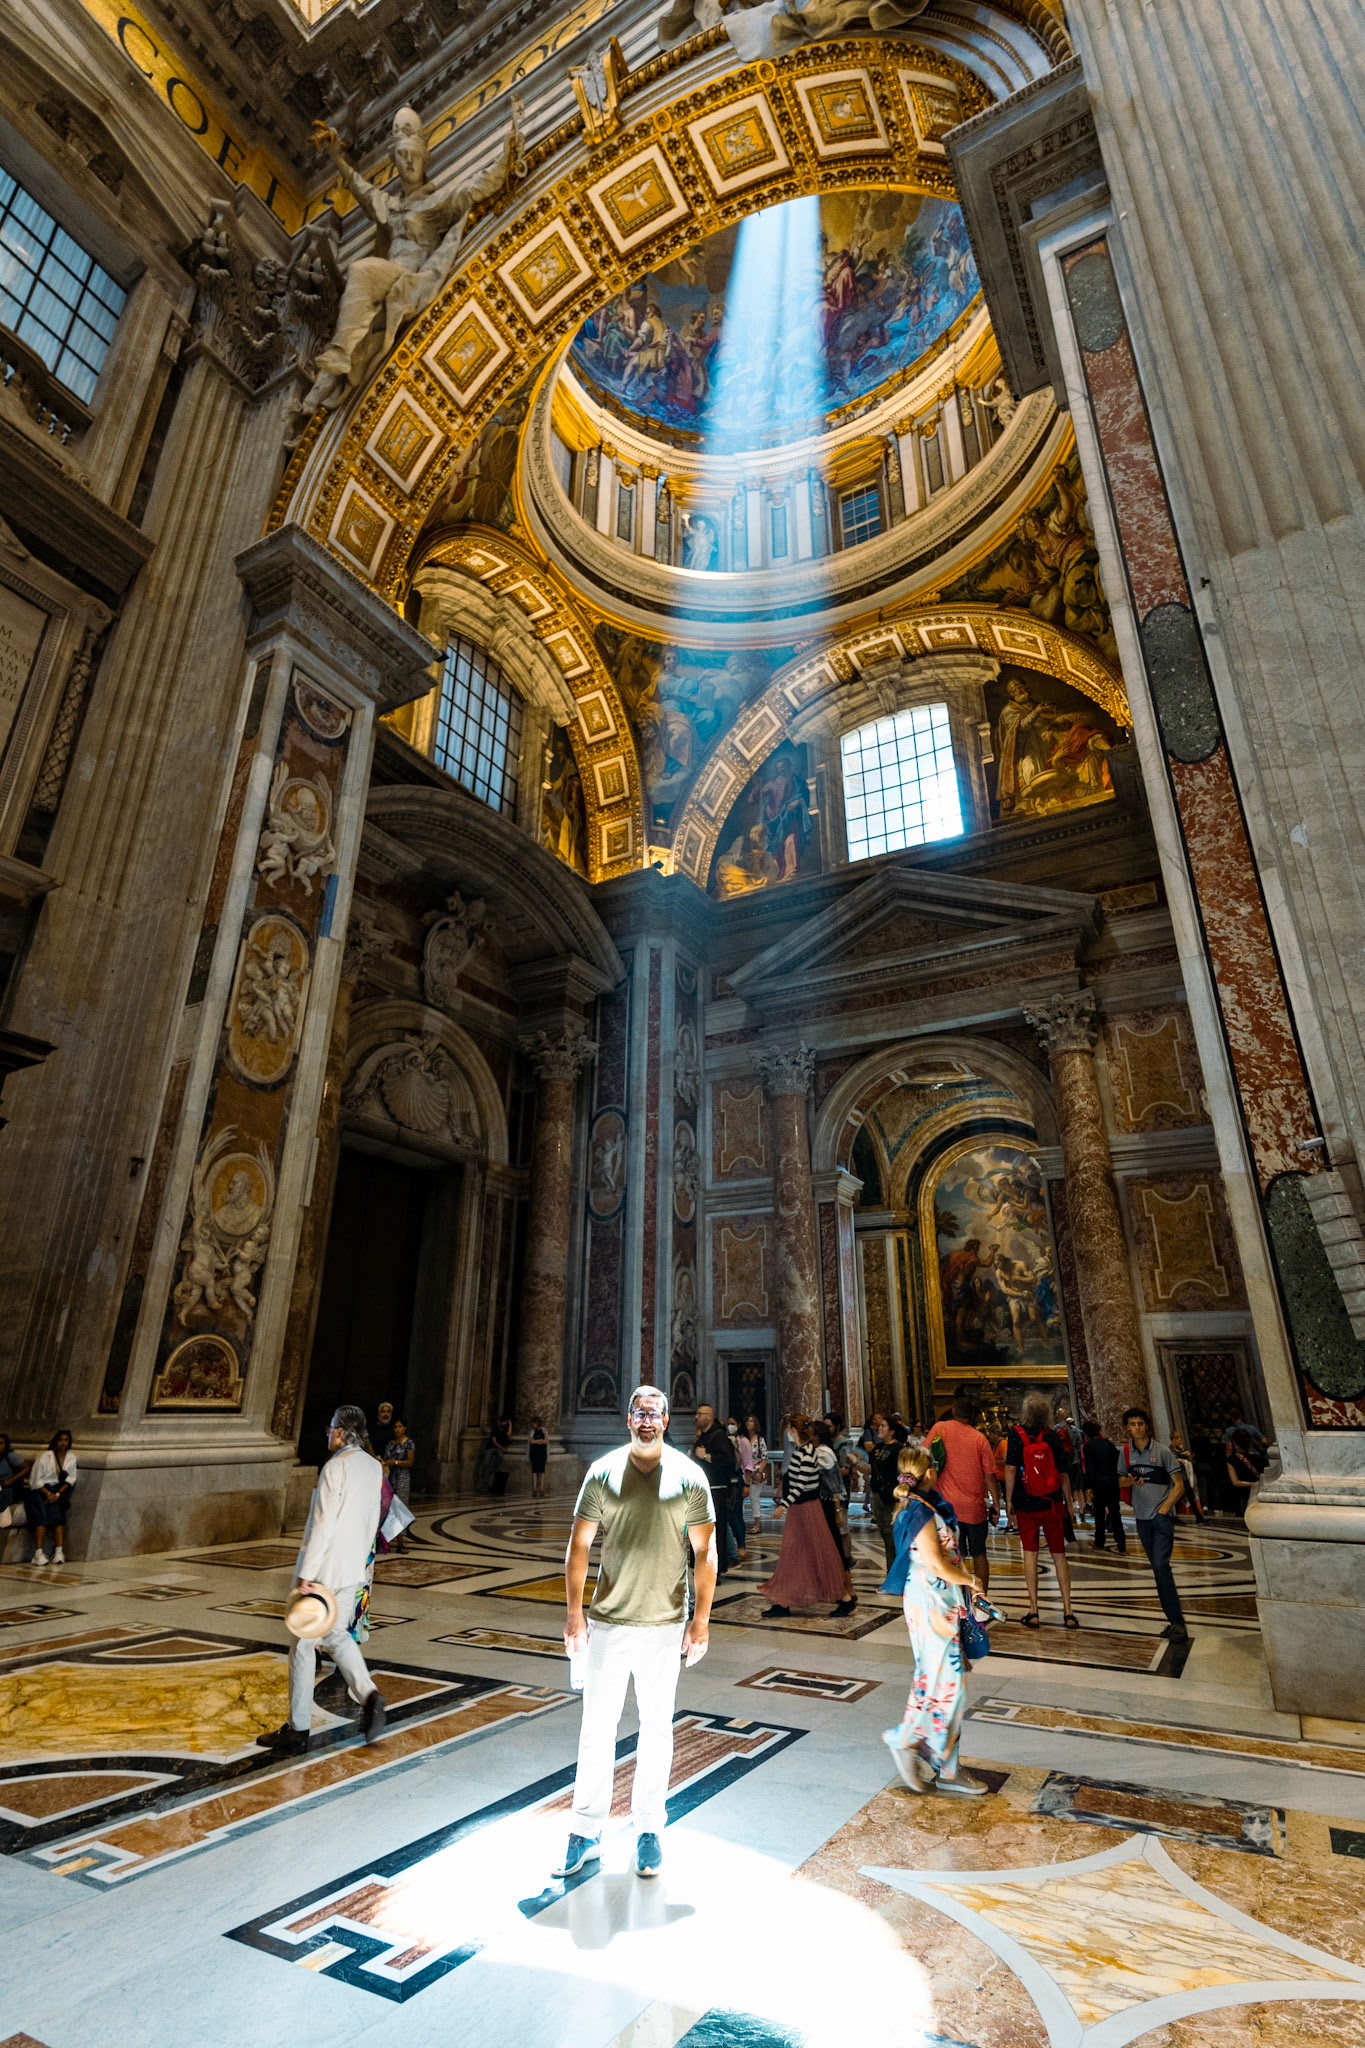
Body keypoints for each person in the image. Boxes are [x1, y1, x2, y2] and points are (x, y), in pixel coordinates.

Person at [557, 1385, 714, 1882]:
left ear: (667, 1422)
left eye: (655, 1413)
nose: (646, 1420)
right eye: (639, 1412)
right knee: (596, 1731)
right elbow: (579, 1546)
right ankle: (584, 1831)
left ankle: (649, 1830)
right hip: (607, 1623)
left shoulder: (690, 1477)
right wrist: (574, 1614)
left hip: (665, 1627)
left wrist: (701, 1619)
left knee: (656, 1731)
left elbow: (705, 1554)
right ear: (628, 1419)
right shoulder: (602, 1473)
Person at [258, 1406, 387, 1755]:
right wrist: (360, 1566)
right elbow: (370, 1521)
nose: (327, 1434)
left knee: (302, 1646)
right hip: (352, 1569)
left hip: (325, 1571)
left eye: (330, 1429)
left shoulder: (336, 1467)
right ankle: (370, 1695)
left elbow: (323, 1523)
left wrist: (307, 1574)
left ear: (343, 1432)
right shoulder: (373, 1467)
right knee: (338, 1636)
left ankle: (297, 1729)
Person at [880, 1446, 988, 1798]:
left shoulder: (925, 1507)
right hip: (930, 1601)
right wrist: (971, 1580)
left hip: (940, 1599)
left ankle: (945, 1766)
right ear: (929, 1473)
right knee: (947, 1679)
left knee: (942, 1679)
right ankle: (909, 1739)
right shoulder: (917, 1511)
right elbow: (936, 1564)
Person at [758, 1415, 853, 1618]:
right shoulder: (802, 1451)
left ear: (795, 1431)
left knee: (814, 1553)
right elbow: (792, 1478)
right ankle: (784, 1601)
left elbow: (801, 1485)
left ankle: (844, 1597)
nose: (788, 1434)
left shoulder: (807, 1453)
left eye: (789, 1430)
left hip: (807, 1509)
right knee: (797, 1554)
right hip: (801, 1509)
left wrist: (783, 1506)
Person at [1005, 1391, 1079, 1628]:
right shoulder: (1054, 1437)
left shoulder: (1015, 1435)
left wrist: (1009, 1500)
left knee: (1030, 1553)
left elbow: (1010, 1470)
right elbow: (1064, 1474)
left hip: (1026, 1504)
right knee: (1059, 1555)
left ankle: (1034, 1609)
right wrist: (1069, 1504)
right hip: (1052, 1502)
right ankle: (1068, 1611)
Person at [926, 1387, 1003, 1595]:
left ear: (953, 1410)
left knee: (953, 1555)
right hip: (974, 1507)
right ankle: (981, 1597)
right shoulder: (980, 1439)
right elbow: (990, 1476)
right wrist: (996, 1504)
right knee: (980, 1553)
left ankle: (957, 1598)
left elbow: (923, 1456)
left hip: (946, 1506)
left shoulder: (939, 1429)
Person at [1121, 1406, 1189, 1641]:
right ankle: (1173, 1620)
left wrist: (1165, 1508)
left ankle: (1178, 1622)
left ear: (1147, 1425)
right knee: (1158, 1570)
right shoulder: (1126, 1453)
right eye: (1132, 1424)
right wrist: (1130, 1481)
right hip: (1141, 1518)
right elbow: (1120, 1481)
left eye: (1140, 1423)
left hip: (1160, 1518)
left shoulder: (1162, 1452)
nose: (1137, 1428)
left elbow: (1179, 1484)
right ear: (1127, 1428)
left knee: (1161, 1566)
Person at [814, 1418, 857, 1613]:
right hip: (826, 1503)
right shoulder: (824, 1452)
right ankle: (847, 1590)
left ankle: (846, 1592)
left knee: (835, 1550)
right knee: (833, 1549)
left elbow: (833, 1486)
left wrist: (838, 1508)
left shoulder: (823, 1453)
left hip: (828, 1504)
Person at [693, 1403, 740, 1576]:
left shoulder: (718, 1436)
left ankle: (714, 1568)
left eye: (700, 1414)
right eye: (696, 1414)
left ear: (709, 1416)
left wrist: (705, 1456)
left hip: (716, 1490)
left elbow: (726, 1461)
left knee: (714, 1531)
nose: (696, 1417)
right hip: (704, 1489)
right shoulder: (704, 1436)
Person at [28, 1429, 76, 1567]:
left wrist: (57, 1494)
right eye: (60, 1440)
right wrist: (47, 1494)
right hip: (41, 1491)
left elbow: (71, 1478)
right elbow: (36, 1479)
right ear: (55, 1442)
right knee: (41, 1518)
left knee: (58, 1519)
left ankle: (59, 1551)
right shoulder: (45, 1456)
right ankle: (38, 1553)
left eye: (65, 1440)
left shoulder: (71, 1457)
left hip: (57, 1491)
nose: (63, 1443)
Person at [1081, 1418, 1125, 1552]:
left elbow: (1090, 1469)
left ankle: (1099, 1541)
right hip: (1112, 1483)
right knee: (1115, 1514)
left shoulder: (1088, 1446)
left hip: (1098, 1485)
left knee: (1099, 1515)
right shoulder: (1108, 1444)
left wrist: (1089, 1486)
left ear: (1086, 1434)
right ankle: (1121, 1544)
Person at [867, 1413, 904, 1570]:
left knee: (892, 1535)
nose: (879, 1428)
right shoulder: (878, 1448)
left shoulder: (898, 1448)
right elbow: (872, 1469)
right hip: (879, 1494)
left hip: (892, 1495)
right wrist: (856, 1464)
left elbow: (902, 1473)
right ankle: (891, 1574)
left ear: (892, 1431)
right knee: (884, 1533)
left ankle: (896, 1574)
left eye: (883, 1425)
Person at [382, 1416, 415, 1552]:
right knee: (388, 1508)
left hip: (402, 1477)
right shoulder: (390, 1443)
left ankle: (401, 1542)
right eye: (395, 1427)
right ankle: (386, 1541)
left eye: (400, 1427)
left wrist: (395, 1462)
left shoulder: (409, 1443)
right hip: (391, 1477)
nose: (397, 1429)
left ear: (405, 1428)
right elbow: (385, 1458)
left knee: (400, 1508)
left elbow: (410, 1462)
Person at [743, 1414, 767, 1527]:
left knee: (754, 1497)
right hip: (744, 1472)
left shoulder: (759, 1439)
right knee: (742, 1497)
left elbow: (764, 1457)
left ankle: (757, 1523)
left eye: (751, 1421)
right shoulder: (743, 1439)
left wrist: (759, 1472)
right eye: (747, 1421)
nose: (749, 1423)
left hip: (755, 1472)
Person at [490, 1416, 513, 1497]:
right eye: (503, 1422)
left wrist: (510, 1425)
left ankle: (495, 1470)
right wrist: (501, 1447)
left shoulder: (505, 1429)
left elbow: (509, 1435)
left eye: (505, 1422)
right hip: (491, 1448)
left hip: (499, 1449)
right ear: (500, 1422)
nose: (504, 1423)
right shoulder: (495, 1428)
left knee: (500, 1458)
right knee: (486, 1463)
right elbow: (494, 1441)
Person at [528, 1416, 549, 1501]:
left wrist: (537, 1441)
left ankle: (541, 1489)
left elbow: (546, 1441)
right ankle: (534, 1489)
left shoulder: (544, 1431)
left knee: (542, 1471)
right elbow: (531, 1441)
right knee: (534, 1471)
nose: (533, 1424)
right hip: (534, 1452)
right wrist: (540, 1440)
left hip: (542, 1452)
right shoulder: (532, 1432)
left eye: (534, 1423)